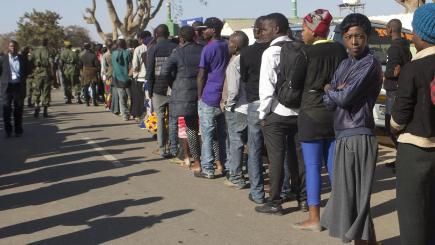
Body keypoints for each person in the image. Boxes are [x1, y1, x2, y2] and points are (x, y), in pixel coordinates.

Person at [321, 13, 382, 244]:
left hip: (359, 134)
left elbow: (343, 98)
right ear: (343, 38)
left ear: (367, 38)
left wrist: (330, 88)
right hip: (344, 135)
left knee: (356, 203)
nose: (355, 42)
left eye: (359, 36)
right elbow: (329, 103)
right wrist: (334, 91)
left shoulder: (370, 64)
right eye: (349, 37)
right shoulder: (345, 64)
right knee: (351, 202)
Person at [290, 9, 348, 231]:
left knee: (313, 167)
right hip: (335, 115)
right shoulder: (340, 50)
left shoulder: (305, 54)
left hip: (311, 114)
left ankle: (314, 219)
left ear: (314, 32)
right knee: (334, 167)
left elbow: (294, 84)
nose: (302, 33)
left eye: (305, 29)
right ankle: (341, 217)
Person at [391, 3, 435, 245]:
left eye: (415, 32)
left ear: (423, 36)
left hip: (415, 152)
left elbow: (400, 114)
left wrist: (394, 127)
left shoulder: (413, 68)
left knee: (413, 216)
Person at [254, 13, 300, 215]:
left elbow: (267, 87)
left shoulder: (270, 52)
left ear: (277, 29)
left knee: (276, 159)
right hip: (299, 112)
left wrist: (263, 114)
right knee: (298, 158)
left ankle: (274, 201)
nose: (262, 33)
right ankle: (303, 199)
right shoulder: (300, 47)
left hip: (277, 113)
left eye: (265, 29)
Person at [161, 25, 204, 170]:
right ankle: (215, 161)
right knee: (207, 129)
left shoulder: (177, 52)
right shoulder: (202, 49)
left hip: (184, 94)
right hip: (204, 92)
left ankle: (197, 161)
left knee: (191, 128)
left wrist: (174, 83)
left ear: (181, 38)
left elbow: (164, 71)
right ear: (195, 36)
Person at [240, 16, 270, 204]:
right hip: (275, 103)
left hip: (255, 103)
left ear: (258, 31)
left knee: (255, 149)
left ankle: (258, 193)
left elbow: (244, 77)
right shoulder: (278, 50)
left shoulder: (247, 52)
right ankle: (282, 190)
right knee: (277, 149)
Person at [196, 17, 230, 179]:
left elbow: (201, 75)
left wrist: (199, 96)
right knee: (224, 136)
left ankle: (208, 169)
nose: (203, 31)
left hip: (209, 96)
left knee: (208, 135)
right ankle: (227, 167)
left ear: (213, 30)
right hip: (224, 96)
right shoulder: (228, 45)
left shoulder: (208, 49)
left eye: (206, 28)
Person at [383, 18, 412, 169]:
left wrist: (386, 74)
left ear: (390, 29)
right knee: (397, 127)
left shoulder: (394, 48)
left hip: (393, 91)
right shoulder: (405, 46)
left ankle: (402, 161)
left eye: (387, 28)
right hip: (398, 89)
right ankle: (400, 159)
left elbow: (390, 71)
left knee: (392, 128)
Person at [146, 24, 178, 158]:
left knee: (159, 118)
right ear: (168, 33)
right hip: (173, 87)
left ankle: (161, 148)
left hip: (158, 89)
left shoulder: (153, 49)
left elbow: (150, 72)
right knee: (172, 119)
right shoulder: (175, 48)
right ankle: (173, 146)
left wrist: (150, 89)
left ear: (156, 35)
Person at [223, 31, 249, 189]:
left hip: (238, 107)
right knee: (249, 143)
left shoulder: (234, 63)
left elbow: (233, 90)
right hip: (251, 107)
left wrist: (228, 105)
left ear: (236, 45)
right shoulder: (251, 58)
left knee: (236, 142)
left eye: (230, 43)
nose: (228, 45)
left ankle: (236, 177)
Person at [0, 40, 30, 137]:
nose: (13, 48)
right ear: (8, 47)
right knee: (6, 109)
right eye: (11, 46)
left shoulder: (23, 59)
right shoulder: (2, 59)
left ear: (18, 48)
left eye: (15, 46)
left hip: (18, 86)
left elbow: (28, 70)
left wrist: (21, 78)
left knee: (18, 109)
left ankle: (18, 130)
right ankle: (8, 131)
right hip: (7, 87)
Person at [131, 31, 152, 121]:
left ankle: (141, 116)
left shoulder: (138, 49)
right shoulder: (153, 46)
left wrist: (134, 74)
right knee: (149, 99)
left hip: (141, 77)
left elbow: (135, 65)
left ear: (141, 39)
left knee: (140, 98)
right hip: (150, 77)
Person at [31, 38, 53, 118]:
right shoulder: (48, 51)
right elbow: (51, 63)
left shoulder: (34, 51)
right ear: (46, 43)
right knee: (46, 92)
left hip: (37, 74)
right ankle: (45, 111)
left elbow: (30, 61)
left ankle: (36, 109)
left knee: (37, 91)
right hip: (46, 73)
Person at [111, 39, 133, 121]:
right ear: (124, 44)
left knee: (122, 98)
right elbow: (131, 65)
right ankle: (132, 113)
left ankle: (125, 115)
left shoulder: (113, 54)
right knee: (131, 97)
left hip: (118, 79)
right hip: (128, 79)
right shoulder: (128, 53)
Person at [79, 43, 100, 107]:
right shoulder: (93, 55)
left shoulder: (81, 55)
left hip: (85, 71)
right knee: (93, 87)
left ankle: (87, 102)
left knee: (86, 87)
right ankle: (94, 102)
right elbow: (97, 65)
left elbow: (80, 65)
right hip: (93, 71)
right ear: (89, 47)